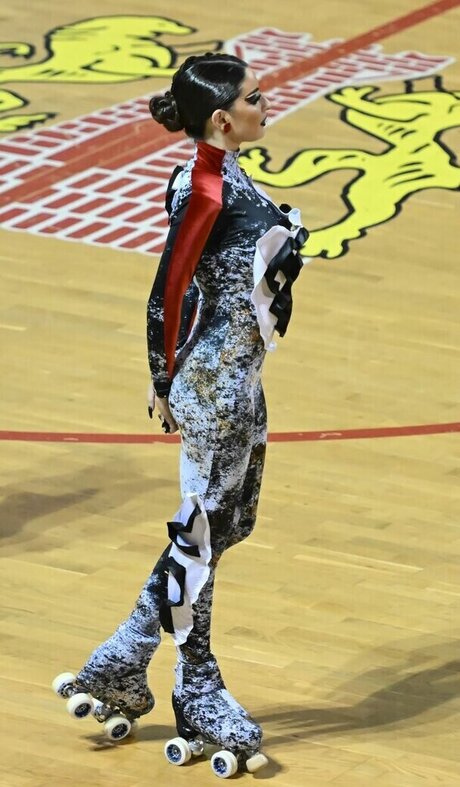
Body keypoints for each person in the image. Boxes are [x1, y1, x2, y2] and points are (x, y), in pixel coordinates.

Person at [55, 52, 307, 773]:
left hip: (241, 383)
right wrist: (164, 377)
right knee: (198, 538)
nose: (267, 103)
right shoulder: (203, 188)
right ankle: (194, 686)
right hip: (215, 388)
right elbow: (168, 288)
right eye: (256, 97)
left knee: (227, 525)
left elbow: (205, 281)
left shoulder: (224, 175)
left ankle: (120, 659)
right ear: (223, 119)